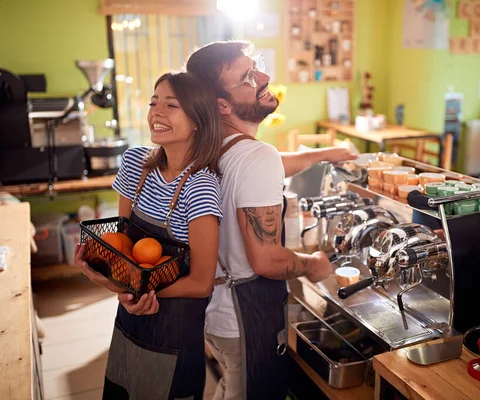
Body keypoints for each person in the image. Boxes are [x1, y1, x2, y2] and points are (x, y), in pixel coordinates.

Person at [185, 40, 356, 400]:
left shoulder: (213, 143)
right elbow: (265, 260)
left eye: (257, 65)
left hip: (213, 312)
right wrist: (311, 264)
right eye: (248, 76)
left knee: (231, 384)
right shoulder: (254, 156)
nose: (263, 76)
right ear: (222, 104)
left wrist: (324, 154)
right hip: (244, 318)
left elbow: (271, 163)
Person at [74, 71, 223, 400]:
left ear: (198, 120)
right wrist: (111, 282)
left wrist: (140, 292)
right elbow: (122, 250)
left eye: (171, 105)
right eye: (154, 102)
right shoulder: (135, 164)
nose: (156, 111)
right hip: (129, 321)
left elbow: (201, 282)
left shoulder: (200, 187)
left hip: (174, 334)